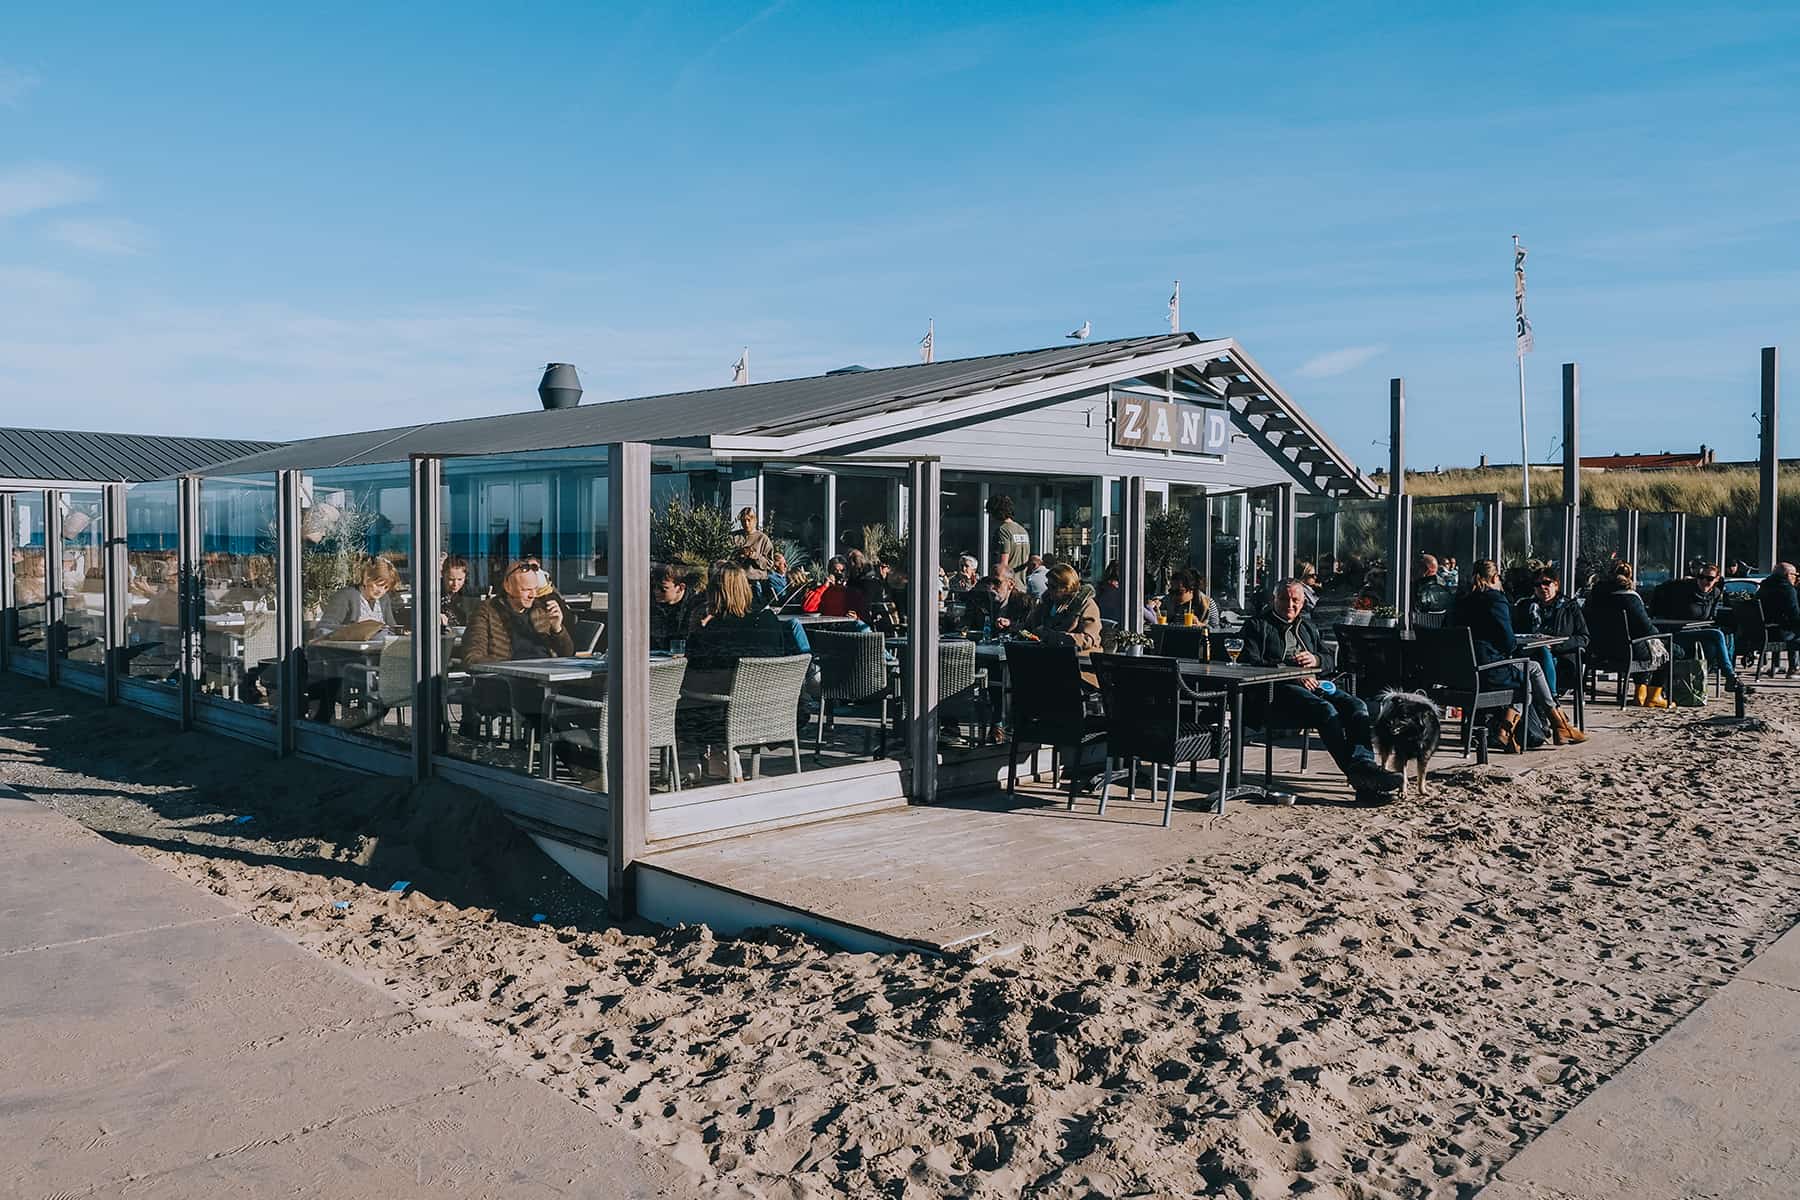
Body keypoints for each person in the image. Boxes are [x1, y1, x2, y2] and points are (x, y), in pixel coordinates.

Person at [1238, 579, 1404, 799]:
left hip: (1315, 686)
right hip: (1276, 691)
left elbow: (1328, 660)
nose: (1290, 605)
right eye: (1284, 599)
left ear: (1303, 601)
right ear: (1274, 600)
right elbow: (1249, 663)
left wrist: (1315, 659)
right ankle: (1364, 779)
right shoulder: (1257, 625)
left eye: (1295, 600)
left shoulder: (1307, 626)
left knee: (1357, 705)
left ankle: (1364, 766)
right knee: (1325, 710)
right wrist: (1293, 673)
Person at [1453, 559, 1587, 747]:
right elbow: (1508, 643)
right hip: (1488, 671)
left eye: (1546, 583)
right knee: (1532, 671)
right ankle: (1549, 723)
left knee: (1530, 669)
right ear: (1494, 577)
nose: (1542, 587)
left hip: (1460, 674)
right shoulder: (1496, 600)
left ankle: (1556, 725)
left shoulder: (1459, 602)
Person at [684, 565, 808, 691]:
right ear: (746, 588)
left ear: (714, 593)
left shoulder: (716, 628)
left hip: (721, 702)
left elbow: (694, 663)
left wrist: (695, 630)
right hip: (772, 699)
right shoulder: (768, 620)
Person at [1653, 561, 1753, 694]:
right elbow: (1660, 589)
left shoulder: (1715, 593)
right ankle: (1730, 676)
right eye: (1701, 577)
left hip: (1697, 631)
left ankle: (1726, 678)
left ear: (1716, 579)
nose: (1704, 581)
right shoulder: (1684, 588)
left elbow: (1711, 617)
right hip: (1678, 631)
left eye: (1709, 579)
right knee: (1716, 635)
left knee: (1722, 638)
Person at [1585, 561, 1673, 707]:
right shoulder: (1630, 598)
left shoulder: (1593, 598)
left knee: (1642, 645)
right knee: (1669, 649)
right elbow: (1647, 628)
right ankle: (1653, 695)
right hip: (1627, 651)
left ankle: (1641, 692)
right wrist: (1659, 636)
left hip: (1598, 651)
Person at [463, 559, 574, 665]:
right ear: (508, 587)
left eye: (535, 589)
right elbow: (472, 658)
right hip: (510, 679)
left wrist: (557, 629)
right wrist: (509, 668)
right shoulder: (487, 610)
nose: (533, 595)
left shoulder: (541, 609)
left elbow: (567, 654)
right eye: (526, 590)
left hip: (547, 674)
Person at [1512, 569, 1590, 697]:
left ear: (1556, 585)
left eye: (1547, 583)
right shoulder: (1525, 606)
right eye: (1537, 585)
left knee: (1543, 650)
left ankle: (1551, 698)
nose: (1542, 587)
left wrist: (1555, 644)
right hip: (1529, 654)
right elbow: (1515, 632)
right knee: (1539, 651)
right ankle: (1550, 702)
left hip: (1561, 659)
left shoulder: (1569, 607)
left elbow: (1583, 638)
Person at [1023, 563, 1103, 652]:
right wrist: (1013, 627)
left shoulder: (1085, 605)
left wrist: (1052, 636)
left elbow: (1088, 639)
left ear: (1067, 588)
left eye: (1053, 587)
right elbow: (1028, 627)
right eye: (1047, 585)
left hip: (1079, 657)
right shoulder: (1047, 602)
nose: (1049, 590)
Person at [316, 557, 401, 635]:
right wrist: (356, 630)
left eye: (386, 587)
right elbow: (323, 628)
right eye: (378, 584)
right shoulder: (345, 596)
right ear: (367, 578)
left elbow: (392, 627)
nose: (381, 591)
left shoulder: (384, 599)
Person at [650, 562, 701, 651]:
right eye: (654, 586)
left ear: (680, 587)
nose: (656, 591)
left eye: (663, 588)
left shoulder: (695, 606)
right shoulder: (650, 603)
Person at [962, 573, 1031, 636]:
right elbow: (968, 625)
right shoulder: (980, 600)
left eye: (997, 582)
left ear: (1011, 584)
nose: (991, 587)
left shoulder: (1024, 603)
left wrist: (1010, 624)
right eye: (989, 582)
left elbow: (1029, 629)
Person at [987, 494, 1032, 576]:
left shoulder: (1003, 530)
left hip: (1007, 585)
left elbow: (1003, 564)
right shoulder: (1022, 530)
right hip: (1021, 583)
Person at [1758, 562, 1800, 643]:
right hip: (1779, 633)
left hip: (1762, 632)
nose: (1796, 578)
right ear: (1788, 575)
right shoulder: (1787, 590)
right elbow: (1794, 616)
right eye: (1795, 575)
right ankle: (1794, 656)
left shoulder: (1764, 586)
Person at [441, 555, 480, 627]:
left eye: (460, 579)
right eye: (451, 579)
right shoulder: (436, 592)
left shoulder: (465, 593)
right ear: (443, 575)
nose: (455, 584)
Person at [1412, 553, 1454, 619]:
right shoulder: (1445, 588)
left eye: (1415, 566)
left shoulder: (1417, 588)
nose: (1412, 569)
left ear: (1425, 569)